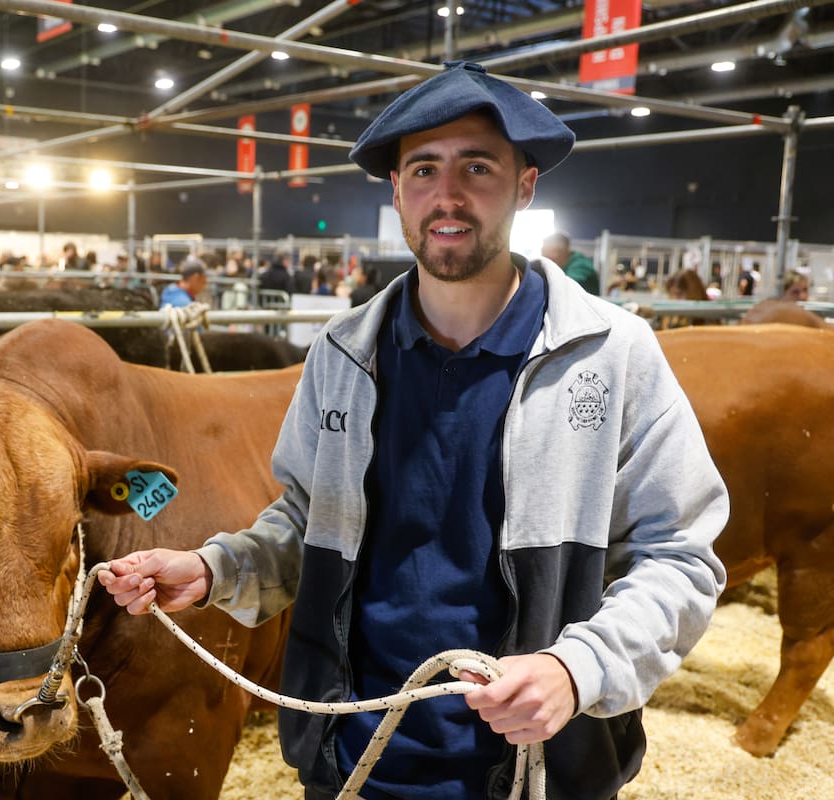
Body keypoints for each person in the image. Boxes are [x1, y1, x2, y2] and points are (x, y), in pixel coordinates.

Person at [99, 61, 729, 800]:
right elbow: (306, 522)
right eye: (424, 169)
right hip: (354, 761)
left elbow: (680, 558)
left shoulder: (611, 355)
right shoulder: (342, 354)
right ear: (397, 191)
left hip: (538, 767)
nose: (448, 194)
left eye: (478, 168)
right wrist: (215, 569)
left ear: (525, 187)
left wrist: (576, 668)